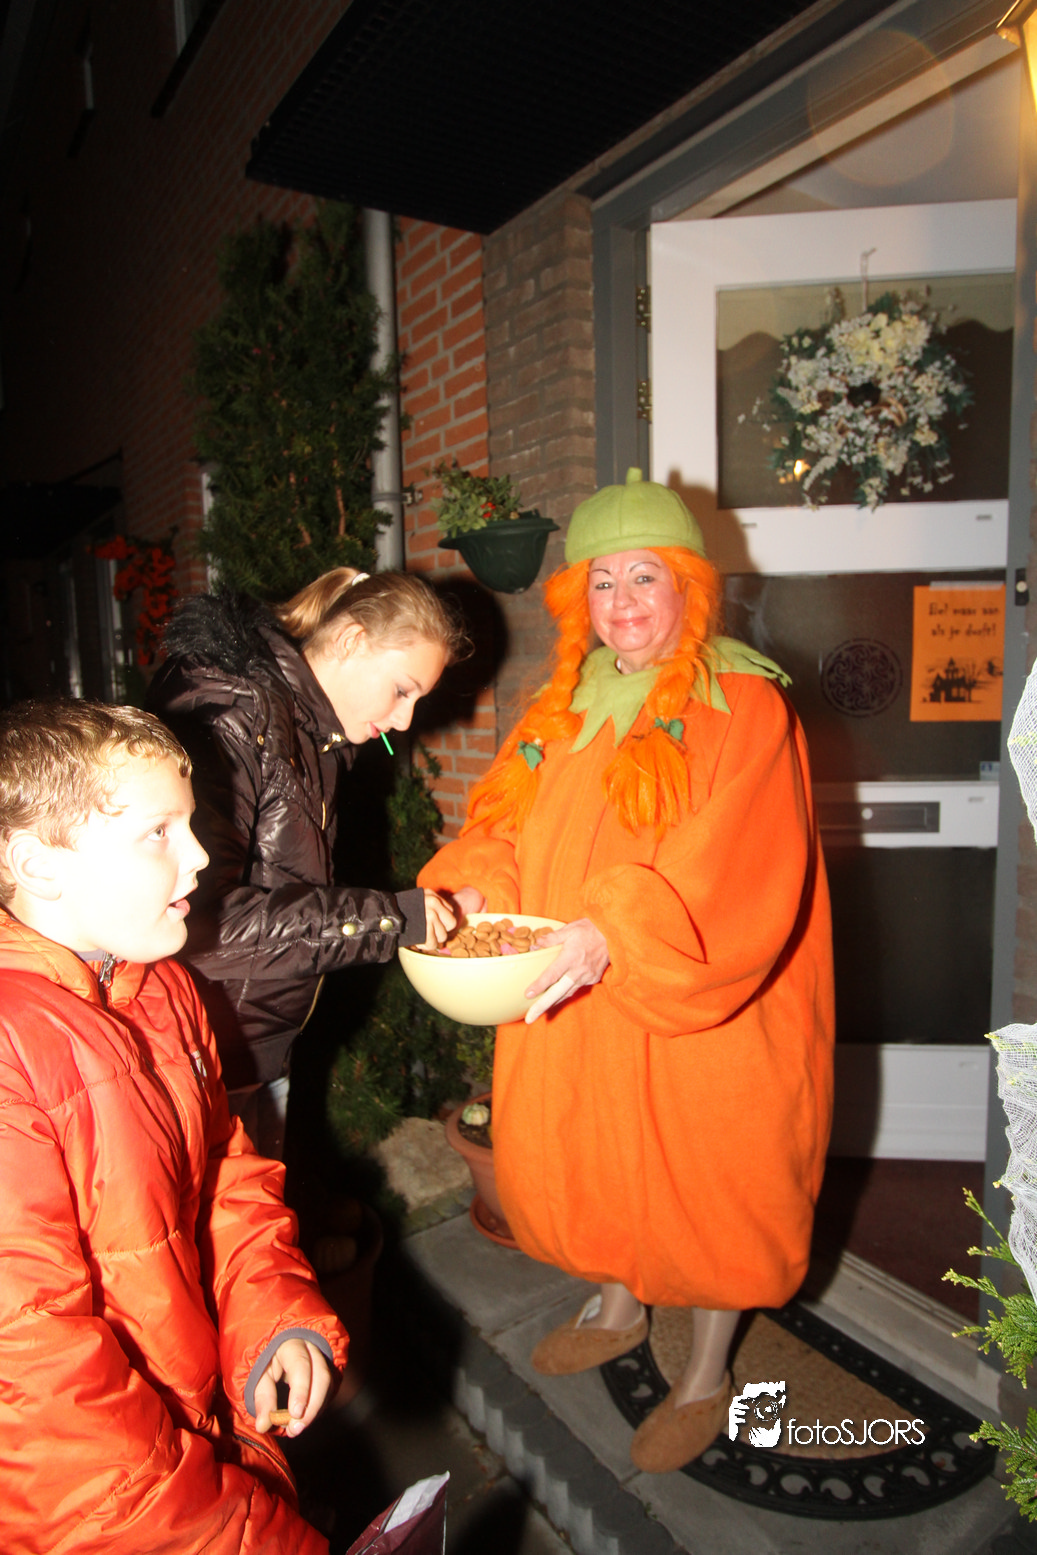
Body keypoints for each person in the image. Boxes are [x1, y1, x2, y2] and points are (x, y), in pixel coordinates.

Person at [419, 469, 835, 1474]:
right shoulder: (558, 705)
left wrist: (612, 930)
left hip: (702, 993)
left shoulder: (741, 701)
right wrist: (473, 888)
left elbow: (735, 860)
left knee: (713, 1176)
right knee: (592, 1152)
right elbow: (499, 823)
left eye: (643, 576)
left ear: (688, 582)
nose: (623, 603)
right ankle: (616, 1304)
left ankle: (706, 1373)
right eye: (601, 583)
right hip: (570, 989)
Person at [0, 700, 347, 1553]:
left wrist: (272, 1309)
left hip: (200, 1422)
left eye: (188, 825)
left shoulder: (164, 987)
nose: (198, 856)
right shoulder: (12, 1049)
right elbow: (38, 1383)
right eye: (158, 832)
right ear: (37, 862)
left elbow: (222, 1171)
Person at [148, 567, 466, 1157]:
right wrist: (391, 918)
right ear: (350, 640)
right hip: (202, 1058)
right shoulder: (236, 712)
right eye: (402, 690)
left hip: (255, 1052)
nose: (405, 721)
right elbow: (199, 921)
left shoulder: (315, 738)